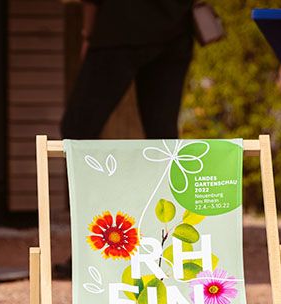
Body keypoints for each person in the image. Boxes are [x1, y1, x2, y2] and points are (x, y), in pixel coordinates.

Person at [56, 0, 194, 277]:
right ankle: (166, 252)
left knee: (77, 132)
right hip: (175, 26)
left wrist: (88, 34)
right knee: (163, 141)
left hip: (119, 26)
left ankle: (90, 251)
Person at [61, 0, 194, 140]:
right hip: (174, 30)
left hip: (118, 29)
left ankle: (82, 160)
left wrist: (88, 34)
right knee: (162, 133)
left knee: (77, 128)